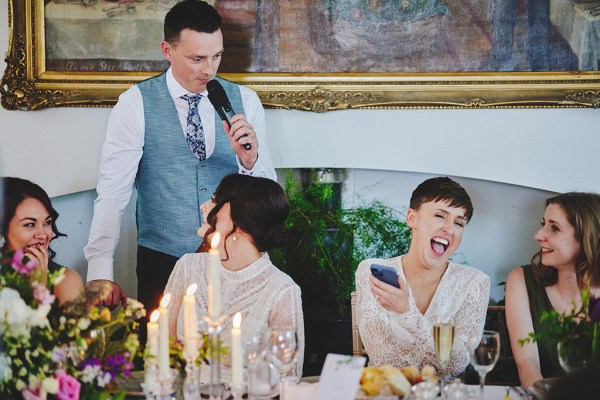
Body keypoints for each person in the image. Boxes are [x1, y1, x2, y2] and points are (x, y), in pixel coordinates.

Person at [84, 0, 276, 314]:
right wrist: (100, 269)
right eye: (197, 58)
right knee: (162, 358)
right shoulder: (135, 104)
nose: (209, 69)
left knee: (237, 356)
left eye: (217, 56)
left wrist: (249, 162)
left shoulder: (246, 101)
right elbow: (113, 192)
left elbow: (267, 192)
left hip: (236, 260)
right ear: (167, 49)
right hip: (161, 263)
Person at [164, 174, 304, 382]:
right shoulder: (188, 267)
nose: (204, 207)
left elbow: (286, 377)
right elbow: (159, 349)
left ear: (240, 218)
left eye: (214, 200)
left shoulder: (282, 289)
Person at [355, 176, 490, 378]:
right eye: (439, 216)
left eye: (459, 223)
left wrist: (406, 312)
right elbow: (383, 358)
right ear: (412, 218)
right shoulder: (371, 271)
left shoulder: (475, 283)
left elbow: (457, 364)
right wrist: (435, 360)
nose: (450, 229)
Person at [505, 192, 600, 387]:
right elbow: (527, 364)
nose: (538, 236)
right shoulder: (521, 280)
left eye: (554, 228)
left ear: (587, 238)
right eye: (544, 224)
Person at [1, 177, 85, 305]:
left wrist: (39, 290)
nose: (43, 235)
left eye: (47, 223)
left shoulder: (67, 282)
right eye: (29, 224)